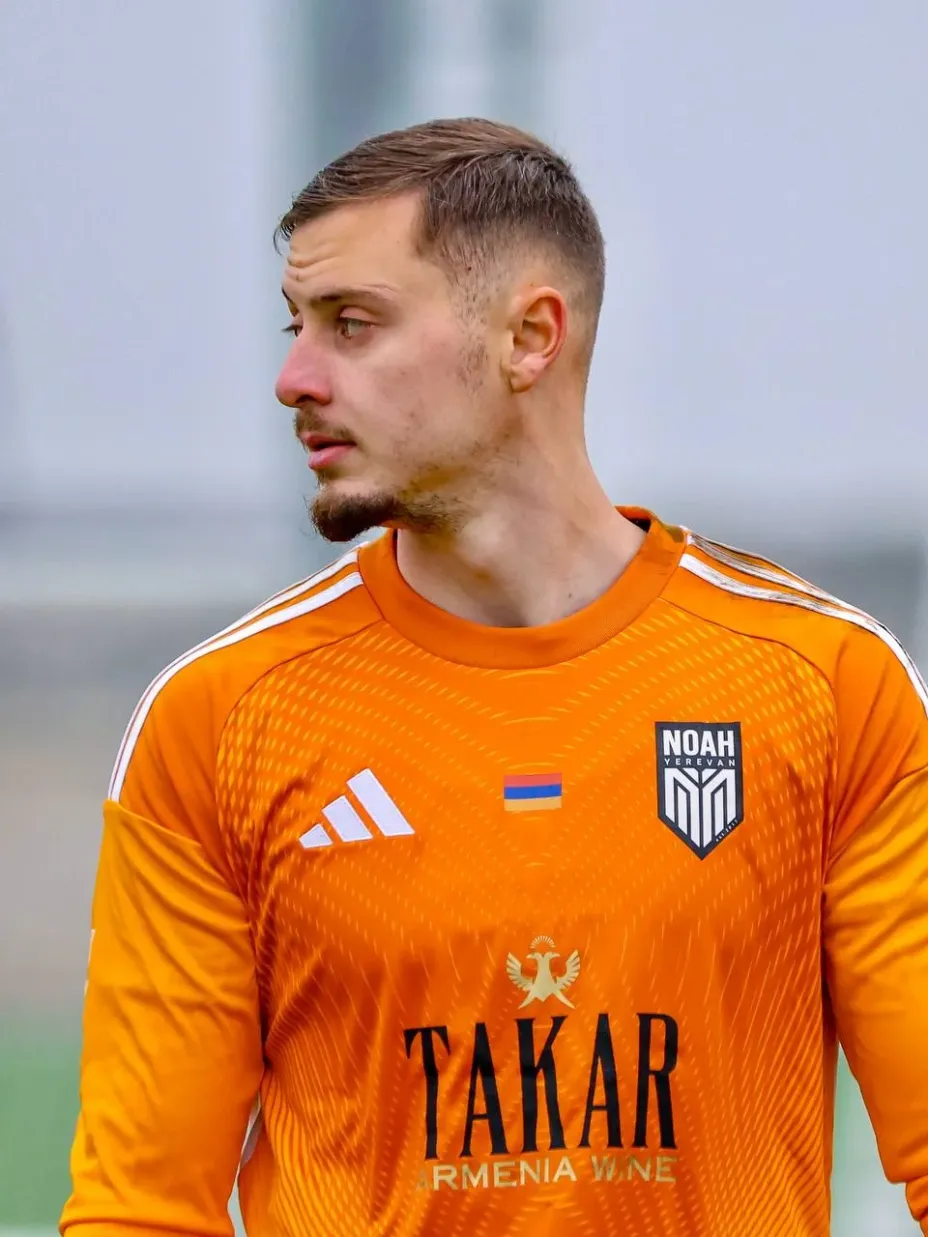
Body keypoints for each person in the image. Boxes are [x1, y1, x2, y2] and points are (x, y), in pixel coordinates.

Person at [60, 118, 928, 1237]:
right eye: (296, 325)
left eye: (352, 324)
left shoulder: (824, 685)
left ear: (529, 337)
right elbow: (139, 1211)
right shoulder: (217, 721)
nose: (292, 379)